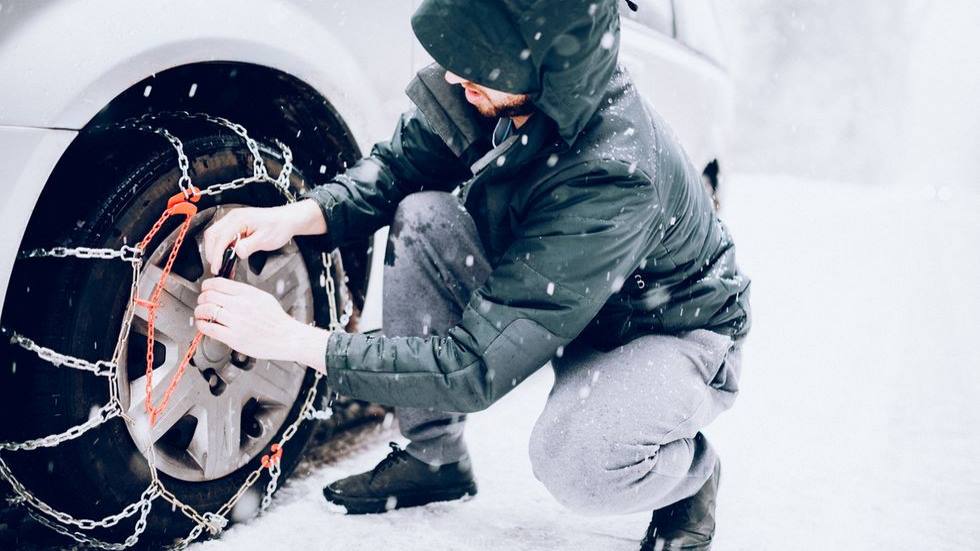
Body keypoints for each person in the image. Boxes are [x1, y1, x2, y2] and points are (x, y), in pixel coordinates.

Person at [194, 1, 751, 548]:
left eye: (477, 63)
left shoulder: (613, 174)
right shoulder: (500, 88)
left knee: (577, 459)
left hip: (668, 331)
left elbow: (475, 365)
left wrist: (290, 340)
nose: (456, 75)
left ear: (543, 64)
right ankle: (433, 457)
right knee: (423, 215)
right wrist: (296, 216)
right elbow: (398, 167)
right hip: (573, 300)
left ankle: (690, 476)